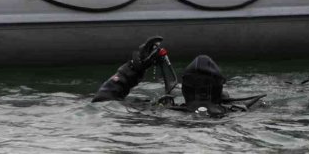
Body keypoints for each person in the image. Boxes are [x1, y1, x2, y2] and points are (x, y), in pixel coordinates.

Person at [92, 36, 264, 116]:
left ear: (185, 88)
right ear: (220, 88)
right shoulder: (240, 111)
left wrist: (133, 68)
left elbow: (103, 100)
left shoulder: (162, 111)